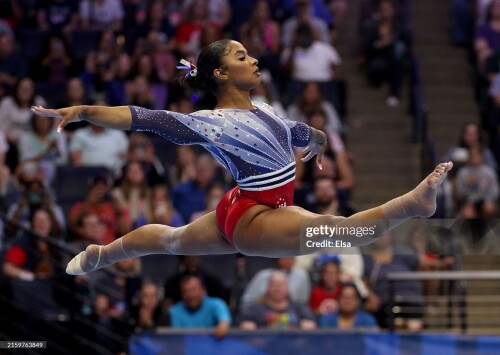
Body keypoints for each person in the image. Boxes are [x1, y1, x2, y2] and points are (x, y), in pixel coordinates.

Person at [31, 39, 453, 276]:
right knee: (342, 234)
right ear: (220, 74)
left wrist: (319, 142)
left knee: (174, 241)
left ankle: (102, 255)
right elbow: (145, 118)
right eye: (241, 57)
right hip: (254, 217)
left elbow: (298, 132)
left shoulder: (266, 108)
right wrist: (85, 111)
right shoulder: (213, 122)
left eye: (250, 53)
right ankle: (413, 204)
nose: (253, 59)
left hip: (245, 205)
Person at [239, 271, 316, 330]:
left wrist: (307, 325)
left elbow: (311, 323)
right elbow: (244, 326)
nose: (277, 288)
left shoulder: (299, 308)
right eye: (274, 284)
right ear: (267, 288)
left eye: (281, 284)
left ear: (287, 288)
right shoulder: (254, 309)